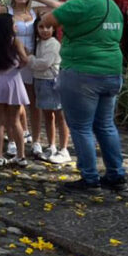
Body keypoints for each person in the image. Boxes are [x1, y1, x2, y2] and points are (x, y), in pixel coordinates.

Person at [41, 0, 126, 192]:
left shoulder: (81, 3)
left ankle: (90, 178)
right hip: (112, 71)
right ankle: (116, 175)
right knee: (106, 125)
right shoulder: (112, 4)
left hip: (82, 72)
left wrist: (48, 14)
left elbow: (48, 21)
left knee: (81, 127)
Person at [0, 13, 30, 167]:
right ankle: (21, 155)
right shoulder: (15, 41)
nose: (16, 26)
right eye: (14, 24)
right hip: (13, 80)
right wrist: (17, 67)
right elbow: (25, 59)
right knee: (15, 120)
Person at [7, 0, 45, 157]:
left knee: (33, 102)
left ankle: (36, 140)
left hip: (30, 60)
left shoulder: (34, 11)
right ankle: (12, 139)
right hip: (13, 60)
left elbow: (60, 6)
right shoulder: (6, 11)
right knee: (12, 102)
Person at [28, 20, 71, 164]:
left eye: (48, 27)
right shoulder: (38, 44)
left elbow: (44, 63)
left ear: (53, 29)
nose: (44, 30)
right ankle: (51, 145)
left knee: (60, 115)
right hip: (40, 80)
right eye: (41, 27)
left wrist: (30, 59)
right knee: (47, 115)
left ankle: (64, 148)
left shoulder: (53, 44)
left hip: (52, 81)